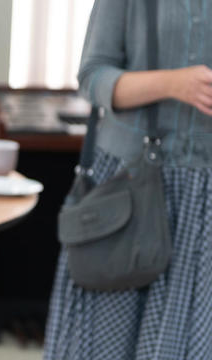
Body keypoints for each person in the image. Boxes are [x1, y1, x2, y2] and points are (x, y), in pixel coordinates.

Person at [44, 1, 212, 359]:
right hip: (128, 186)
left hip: (205, 201)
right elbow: (92, 77)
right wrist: (172, 83)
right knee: (103, 345)